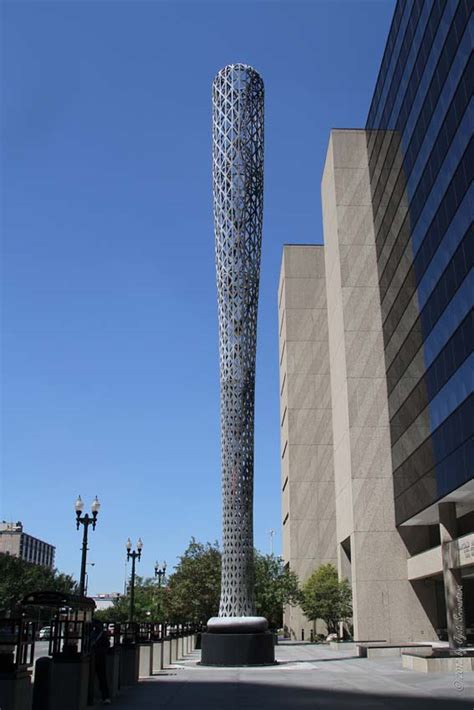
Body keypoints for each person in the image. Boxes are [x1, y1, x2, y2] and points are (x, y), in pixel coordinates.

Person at [90, 620, 111, 705]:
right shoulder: (102, 634)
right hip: (100, 657)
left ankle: (92, 697)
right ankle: (105, 696)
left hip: (94, 656)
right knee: (102, 677)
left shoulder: (92, 634)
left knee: (97, 677)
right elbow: (107, 645)